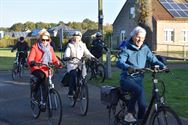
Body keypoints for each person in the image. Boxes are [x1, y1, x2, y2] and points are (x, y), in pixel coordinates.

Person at [116, 26, 167, 122]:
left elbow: (153, 60)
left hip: (139, 80)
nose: (140, 40)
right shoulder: (126, 47)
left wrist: (163, 66)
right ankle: (129, 114)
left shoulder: (145, 48)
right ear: (133, 36)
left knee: (143, 106)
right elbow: (119, 62)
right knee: (137, 90)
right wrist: (128, 67)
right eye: (138, 37)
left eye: (142, 38)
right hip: (127, 79)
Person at [27, 30, 61, 111]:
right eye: (43, 40)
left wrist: (59, 64)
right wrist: (33, 62)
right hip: (36, 68)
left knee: (47, 82)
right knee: (42, 76)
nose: (45, 41)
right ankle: (35, 94)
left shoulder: (50, 48)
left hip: (46, 68)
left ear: (49, 40)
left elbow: (54, 59)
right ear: (40, 39)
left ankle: (44, 101)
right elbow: (30, 58)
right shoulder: (35, 47)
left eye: (47, 40)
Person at [64, 31, 95, 97]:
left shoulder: (83, 45)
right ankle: (71, 92)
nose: (76, 39)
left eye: (78, 37)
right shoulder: (70, 45)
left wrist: (92, 57)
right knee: (73, 75)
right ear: (73, 38)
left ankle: (81, 89)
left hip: (81, 63)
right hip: (72, 64)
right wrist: (67, 57)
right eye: (75, 37)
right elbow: (67, 53)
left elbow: (87, 53)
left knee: (83, 77)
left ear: (80, 38)